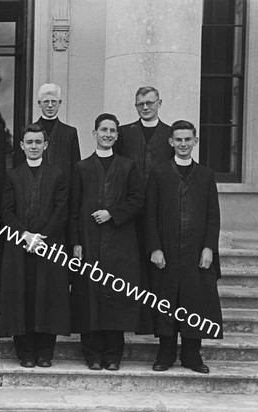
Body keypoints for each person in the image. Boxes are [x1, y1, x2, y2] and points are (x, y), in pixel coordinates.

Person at [145, 120, 223, 374]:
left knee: (195, 301)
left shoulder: (205, 175)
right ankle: (165, 353)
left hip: (196, 250)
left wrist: (209, 247)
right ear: (171, 142)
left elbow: (213, 216)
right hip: (166, 249)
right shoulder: (159, 173)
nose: (183, 144)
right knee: (167, 300)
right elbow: (150, 215)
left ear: (195, 141)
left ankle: (192, 354)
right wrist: (155, 247)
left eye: (187, 139)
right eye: (178, 140)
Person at [69, 113, 144, 371]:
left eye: (113, 130)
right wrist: (76, 242)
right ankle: (92, 354)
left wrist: (113, 213)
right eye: (103, 130)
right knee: (89, 298)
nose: (108, 134)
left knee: (116, 297)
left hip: (120, 242)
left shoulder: (127, 166)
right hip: (88, 241)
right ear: (95, 133)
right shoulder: (81, 167)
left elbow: (137, 200)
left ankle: (113, 355)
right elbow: (73, 208)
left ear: (117, 135)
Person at [0, 123, 70, 368]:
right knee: (23, 297)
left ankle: (45, 353)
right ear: (21, 145)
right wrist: (25, 236)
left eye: (38, 142)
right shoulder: (12, 175)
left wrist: (41, 237)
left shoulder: (58, 174)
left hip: (49, 247)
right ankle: (25, 352)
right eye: (29, 142)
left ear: (46, 145)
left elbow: (61, 210)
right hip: (20, 247)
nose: (33, 147)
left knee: (47, 297)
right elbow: (6, 211)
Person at [115, 86, 174, 335]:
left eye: (150, 103)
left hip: (162, 213)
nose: (145, 107)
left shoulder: (172, 134)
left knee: (159, 268)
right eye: (140, 104)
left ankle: (157, 322)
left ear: (159, 103)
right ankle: (133, 319)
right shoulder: (124, 133)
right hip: (131, 212)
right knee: (131, 266)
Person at [14, 83, 80, 182]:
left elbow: (76, 169)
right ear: (39, 103)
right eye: (46, 102)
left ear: (60, 103)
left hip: (63, 191)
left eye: (53, 102)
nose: (50, 105)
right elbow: (20, 166)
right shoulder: (27, 132)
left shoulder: (70, 132)